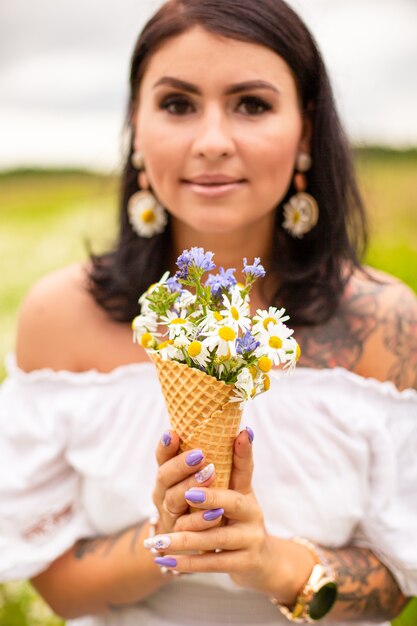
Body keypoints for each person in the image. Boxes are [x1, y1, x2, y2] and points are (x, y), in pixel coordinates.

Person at [0, 0, 416, 624]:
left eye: (252, 104)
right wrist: (172, 535)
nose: (213, 141)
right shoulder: (60, 318)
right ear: (136, 130)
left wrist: (269, 561)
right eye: (177, 104)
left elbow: (399, 582)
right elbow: (57, 587)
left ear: (305, 132)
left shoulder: (385, 323)